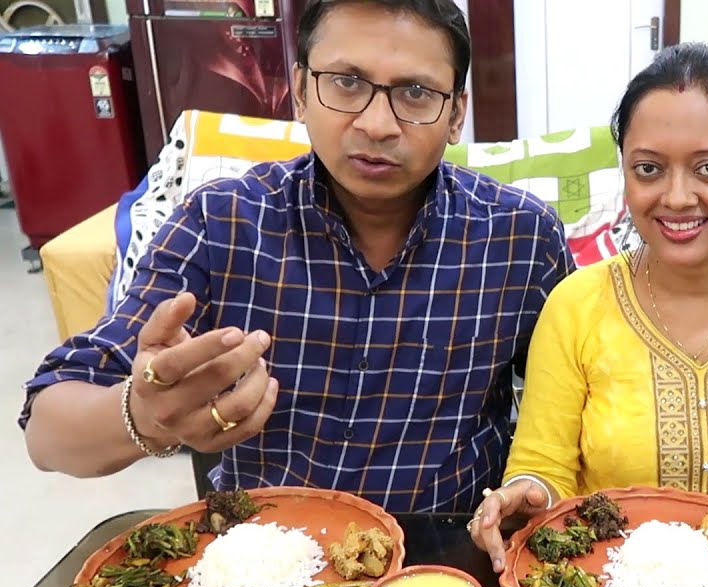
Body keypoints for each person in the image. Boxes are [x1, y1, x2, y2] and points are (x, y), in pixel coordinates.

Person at [19, 0, 572, 512]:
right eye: (347, 83)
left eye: (417, 94)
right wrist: (145, 416)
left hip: (451, 561)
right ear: (302, 91)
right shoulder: (222, 223)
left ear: (456, 115)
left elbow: (577, 398)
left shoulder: (520, 237)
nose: (377, 125)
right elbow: (47, 430)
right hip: (265, 566)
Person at [470, 43, 708, 571]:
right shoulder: (577, 304)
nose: (676, 198)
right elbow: (542, 466)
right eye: (649, 169)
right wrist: (525, 495)